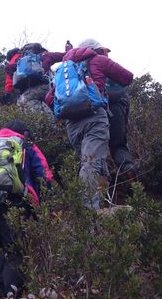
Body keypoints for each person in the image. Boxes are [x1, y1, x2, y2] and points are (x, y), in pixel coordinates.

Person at [0, 120, 54, 299]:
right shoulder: (26, 145)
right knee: (15, 246)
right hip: (16, 199)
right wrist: (48, 202)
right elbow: (45, 175)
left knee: (4, 244)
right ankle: (11, 296)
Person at [47, 39, 133, 209]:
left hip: (72, 125)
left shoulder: (63, 69)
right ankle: (89, 215)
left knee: (94, 162)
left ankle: (101, 205)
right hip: (94, 118)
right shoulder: (98, 60)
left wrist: (71, 107)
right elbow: (127, 77)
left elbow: (49, 98)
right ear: (93, 49)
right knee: (91, 165)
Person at [94, 46, 138, 182]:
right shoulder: (108, 66)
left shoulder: (86, 68)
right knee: (118, 145)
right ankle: (128, 170)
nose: (107, 53)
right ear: (101, 52)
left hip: (96, 112)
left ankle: (101, 182)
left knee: (95, 148)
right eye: (105, 51)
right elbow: (126, 83)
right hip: (117, 111)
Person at [9, 43, 64, 114]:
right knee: (54, 107)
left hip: (28, 92)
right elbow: (65, 55)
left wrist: (15, 77)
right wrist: (69, 48)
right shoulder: (46, 56)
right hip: (46, 88)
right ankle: (56, 121)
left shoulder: (21, 62)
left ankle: (45, 122)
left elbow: (8, 68)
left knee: (31, 113)